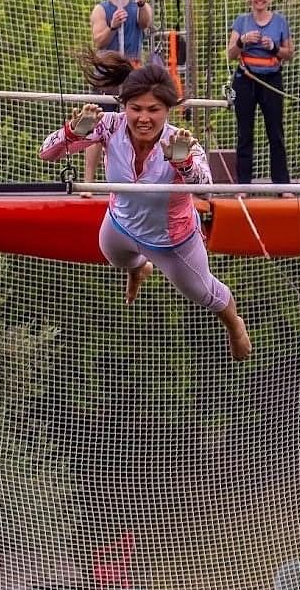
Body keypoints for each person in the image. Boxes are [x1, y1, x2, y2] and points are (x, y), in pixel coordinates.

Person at [39, 50, 252, 362]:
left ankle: (235, 324)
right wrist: (76, 129)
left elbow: (206, 190)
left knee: (205, 295)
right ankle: (138, 268)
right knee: (114, 256)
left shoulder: (181, 142)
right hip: (119, 225)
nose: (143, 118)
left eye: (154, 110)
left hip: (172, 242)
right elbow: (48, 153)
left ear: (167, 110)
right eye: (135, 108)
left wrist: (183, 163)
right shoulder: (108, 126)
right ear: (123, 106)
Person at [82, 0, 154, 192]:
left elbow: (146, 23)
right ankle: (89, 182)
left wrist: (142, 5)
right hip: (108, 72)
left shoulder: (138, 7)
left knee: (133, 125)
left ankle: (134, 179)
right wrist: (113, 26)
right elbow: (99, 41)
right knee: (96, 124)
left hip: (131, 70)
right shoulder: (101, 10)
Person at [227, 0, 293, 193]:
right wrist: (242, 41)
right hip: (245, 78)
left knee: (275, 132)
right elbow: (230, 54)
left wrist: (273, 47)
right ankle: (243, 184)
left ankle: (281, 184)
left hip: (272, 79)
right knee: (244, 132)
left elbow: (289, 53)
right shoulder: (242, 21)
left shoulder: (280, 22)